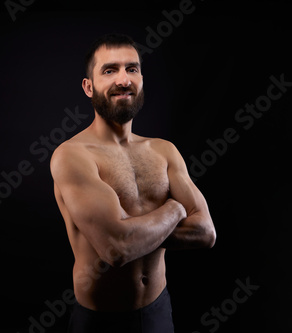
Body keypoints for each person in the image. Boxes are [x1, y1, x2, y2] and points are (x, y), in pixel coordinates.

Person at [50, 33, 217, 333]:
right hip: (99, 321)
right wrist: (176, 210)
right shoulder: (71, 156)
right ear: (88, 87)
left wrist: (128, 231)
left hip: (158, 310)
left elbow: (206, 232)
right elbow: (116, 249)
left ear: (141, 79)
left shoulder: (164, 150)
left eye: (132, 69)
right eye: (109, 70)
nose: (124, 80)